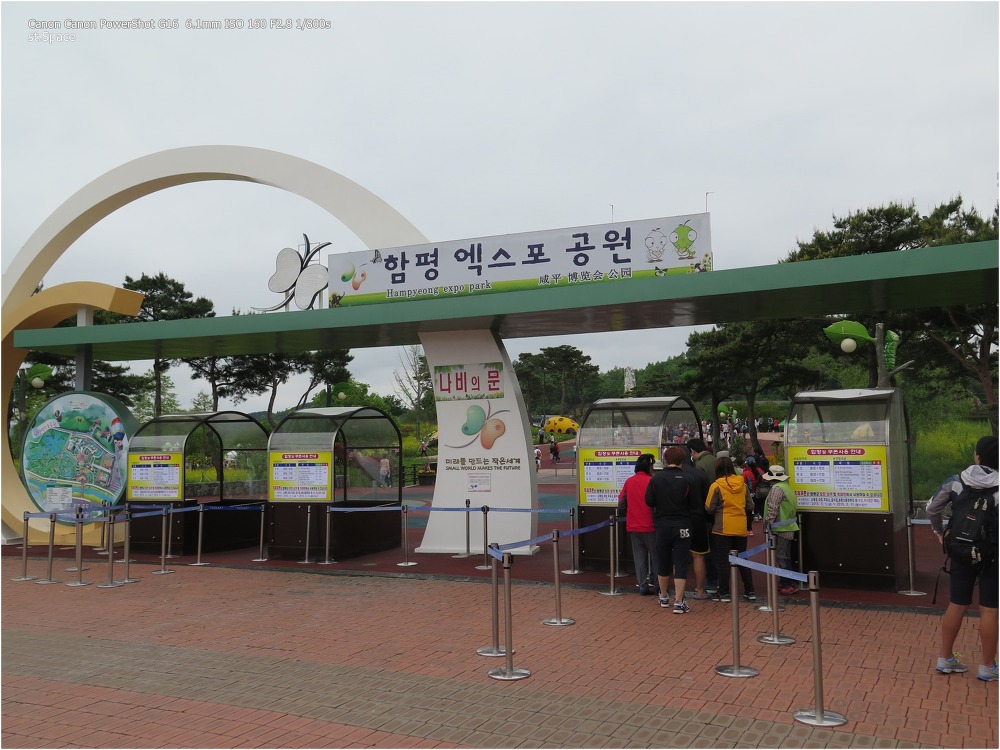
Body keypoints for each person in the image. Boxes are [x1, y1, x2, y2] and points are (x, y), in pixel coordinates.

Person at [927, 436, 998, 681]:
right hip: (992, 555)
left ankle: (946, 659)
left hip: (960, 550)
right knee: (990, 609)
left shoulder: (956, 481)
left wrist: (939, 532)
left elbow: (932, 508)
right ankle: (988, 667)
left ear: (977, 456)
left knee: (957, 603)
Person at [645, 445, 698, 613]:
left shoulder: (656, 479)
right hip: (682, 525)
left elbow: (649, 501)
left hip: (662, 525)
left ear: (666, 460)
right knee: (680, 562)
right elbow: (695, 504)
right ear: (683, 460)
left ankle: (663, 596)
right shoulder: (688, 479)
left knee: (663, 561)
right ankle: (679, 602)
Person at [706, 456, 756, 602]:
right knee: (742, 559)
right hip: (740, 527)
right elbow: (750, 505)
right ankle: (750, 591)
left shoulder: (716, 485)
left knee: (722, 561)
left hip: (722, 528)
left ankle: (724, 593)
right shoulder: (742, 484)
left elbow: (709, 508)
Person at [617, 454, 659, 595]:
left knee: (639, 557)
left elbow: (621, 503)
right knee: (655, 557)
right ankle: (658, 584)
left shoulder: (629, 481)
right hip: (651, 525)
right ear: (649, 467)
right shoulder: (652, 481)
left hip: (634, 524)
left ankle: (643, 586)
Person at [761, 465, 799, 595]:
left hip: (781, 528)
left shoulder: (777, 489)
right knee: (785, 555)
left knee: (781, 556)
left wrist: (768, 524)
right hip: (788, 526)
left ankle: (788, 583)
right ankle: (786, 581)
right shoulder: (786, 487)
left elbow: (772, 508)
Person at [681, 441, 711, 600]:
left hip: (677, 521)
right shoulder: (699, 474)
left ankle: (678, 591)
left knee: (678, 556)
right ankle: (700, 590)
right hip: (698, 520)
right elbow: (708, 500)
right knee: (698, 556)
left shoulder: (664, 476)